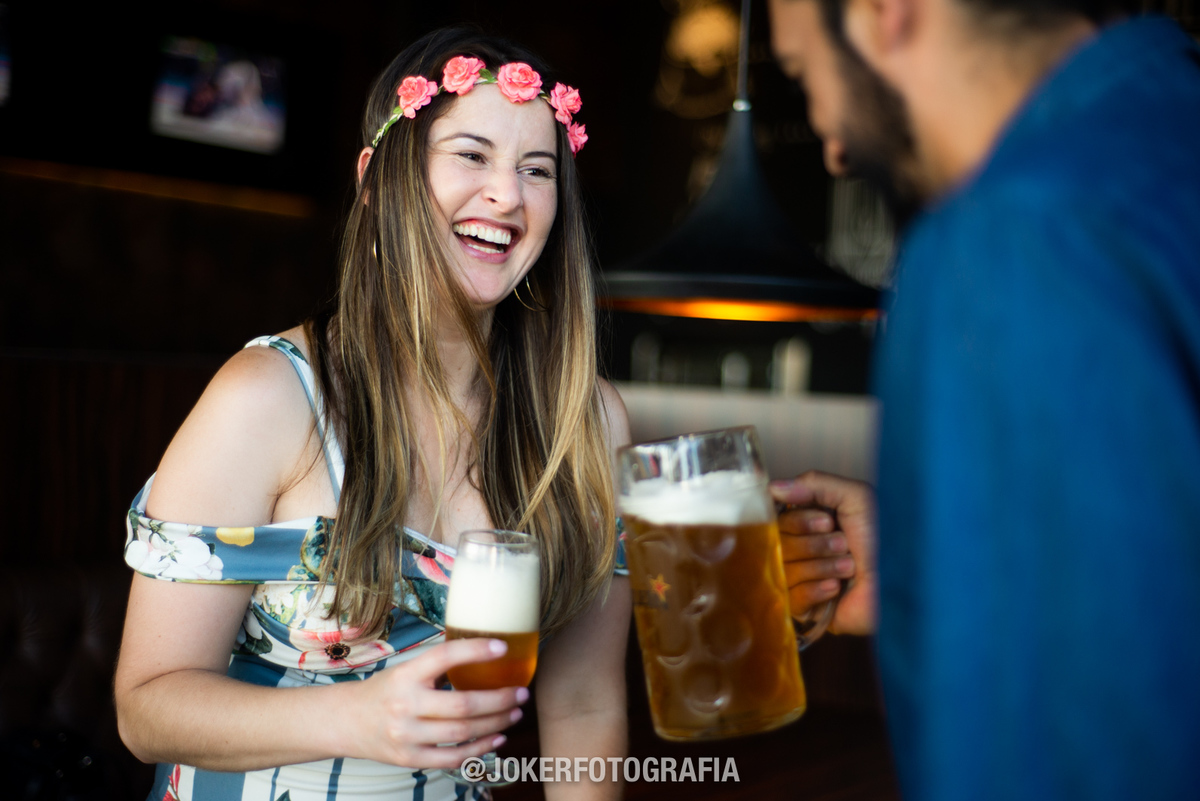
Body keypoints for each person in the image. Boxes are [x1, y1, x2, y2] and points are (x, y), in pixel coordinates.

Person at [114, 27, 629, 801]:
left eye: (536, 168)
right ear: (375, 178)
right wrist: (353, 715)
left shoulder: (583, 422)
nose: (508, 195)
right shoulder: (268, 396)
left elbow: (584, 700)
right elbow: (146, 706)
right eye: (471, 154)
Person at [766, 0, 1200, 798]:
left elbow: (1046, 757)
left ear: (882, 14)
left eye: (806, 76)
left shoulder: (1005, 241)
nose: (831, 146)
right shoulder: (1171, 123)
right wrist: (944, 562)